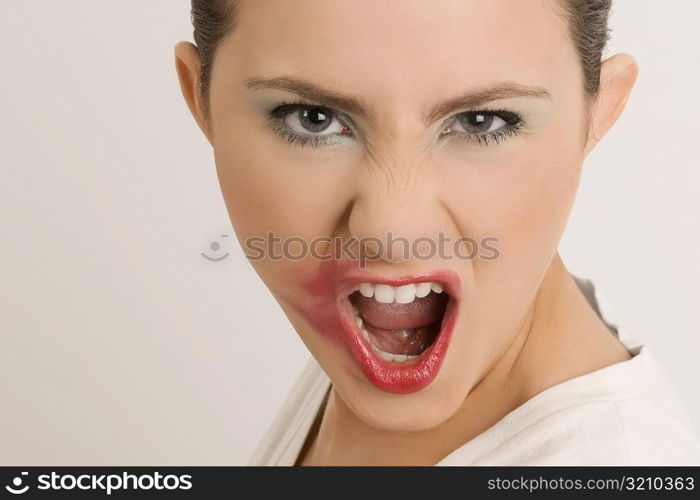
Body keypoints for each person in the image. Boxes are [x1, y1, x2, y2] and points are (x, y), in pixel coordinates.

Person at [174, 0, 700, 465]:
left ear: (598, 113)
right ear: (202, 103)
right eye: (313, 119)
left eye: (481, 122)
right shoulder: (378, 324)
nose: (391, 233)